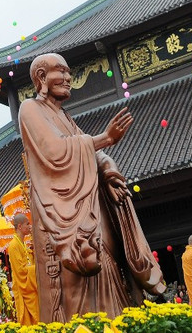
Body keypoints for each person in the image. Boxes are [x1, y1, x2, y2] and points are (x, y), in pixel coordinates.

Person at [18, 53, 165, 322]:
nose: (68, 78)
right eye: (60, 71)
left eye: (69, 72)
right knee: (77, 285)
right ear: (41, 76)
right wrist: (105, 138)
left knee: (108, 266)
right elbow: (56, 152)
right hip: (60, 214)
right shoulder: (30, 109)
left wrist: (109, 173)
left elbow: (91, 152)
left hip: (90, 208)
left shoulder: (65, 117)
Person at [7, 213, 39, 325]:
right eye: (27, 224)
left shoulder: (22, 243)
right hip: (24, 289)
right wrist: (37, 269)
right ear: (19, 226)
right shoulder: (13, 246)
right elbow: (21, 271)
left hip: (31, 288)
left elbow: (29, 262)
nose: (30, 226)